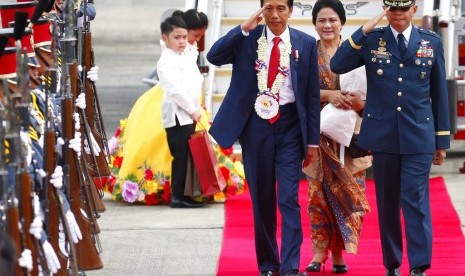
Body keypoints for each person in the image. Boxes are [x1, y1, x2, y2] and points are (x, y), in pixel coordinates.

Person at [330, 1, 451, 276]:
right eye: (392, 8)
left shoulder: (430, 42)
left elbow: (439, 92)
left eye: (403, 8)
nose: (398, 13)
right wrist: (363, 30)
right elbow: (337, 64)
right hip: (384, 136)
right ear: (385, 8)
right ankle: (392, 265)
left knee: (415, 198)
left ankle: (419, 266)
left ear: (414, 9)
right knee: (387, 202)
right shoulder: (373, 40)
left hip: (419, 135)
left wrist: (441, 140)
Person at [206, 0, 320, 275]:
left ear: (291, 10)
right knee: (263, 198)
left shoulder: (304, 43)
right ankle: (269, 264)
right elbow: (213, 57)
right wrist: (242, 30)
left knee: (289, 198)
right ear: (260, 10)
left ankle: (291, 266)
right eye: (269, 7)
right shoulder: (249, 38)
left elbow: (312, 96)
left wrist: (312, 141)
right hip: (256, 127)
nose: (275, 14)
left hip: (291, 126)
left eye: (281, 8)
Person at [107, 10, 246, 206]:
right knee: (179, 154)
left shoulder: (186, 52)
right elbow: (175, 89)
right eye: (187, 36)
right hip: (177, 110)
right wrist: (193, 109)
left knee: (187, 154)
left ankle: (186, 192)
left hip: (188, 110)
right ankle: (177, 194)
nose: (190, 41)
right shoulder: (168, 59)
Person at [304, 0, 371, 274]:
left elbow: (376, 93)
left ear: (342, 22)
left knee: (348, 196)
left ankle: (339, 255)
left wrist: (359, 105)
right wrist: (328, 95)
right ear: (315, 24)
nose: (327, 25)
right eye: (322, 20)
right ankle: (319, 253)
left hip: (352, 138)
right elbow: (298, 91)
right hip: (317, 137)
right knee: (317, 197)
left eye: (332, 20)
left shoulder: (358, 52)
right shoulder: (307, 53)